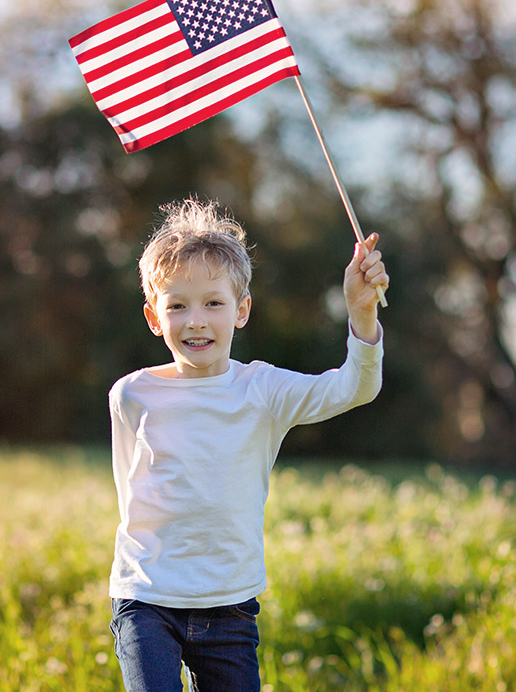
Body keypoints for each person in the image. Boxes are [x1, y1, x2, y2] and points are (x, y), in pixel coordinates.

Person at [107, 198, 388, 692]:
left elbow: (355, 388)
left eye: (213, 303)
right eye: (177, 305)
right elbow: (130, 493)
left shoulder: (263, 391)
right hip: (148, 597)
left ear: (241, 310)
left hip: (229, 604)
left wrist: (361, 313)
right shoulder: (132, 394)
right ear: (154, 317)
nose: (196, 320)